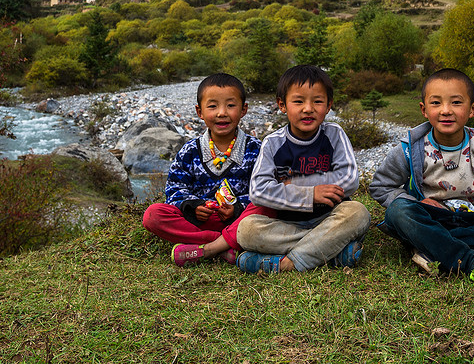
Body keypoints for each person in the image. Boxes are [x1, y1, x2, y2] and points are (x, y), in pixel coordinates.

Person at [369, 68, 474, 289]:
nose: (446, 111)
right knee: (398, 212)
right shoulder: (410, 150)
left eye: (456, 103)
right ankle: (471, 262)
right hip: (429, 217)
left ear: (472, 109)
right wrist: (417, 203)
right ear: (424, 109)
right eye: (436, 103)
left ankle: (431, 248)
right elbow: (381, 186)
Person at [235, 64, 371, 273]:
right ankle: (330, 253)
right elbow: (258, 190)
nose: (308, 108)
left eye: (317, 101)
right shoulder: (273, 142)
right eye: (298, 101)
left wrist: (299, 185)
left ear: (328, 105)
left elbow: (350, 179)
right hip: (288, 226)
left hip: (331, 218)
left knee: (358, 213)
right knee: (246, 230)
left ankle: (287, 264)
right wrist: (309, 195)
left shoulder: (334, 134)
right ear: (282, 105)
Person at [142, 73, 269, 266]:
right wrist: (193, 206)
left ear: (244, 110)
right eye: (212, 106)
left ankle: (204, 247)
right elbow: (174, 190)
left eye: (231, 105)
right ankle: (223, 244)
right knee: (153, 215)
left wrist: (237, 208)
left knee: (267, 206)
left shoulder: (255, 149)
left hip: (240, 221)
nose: (221, 113)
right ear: (199, 112)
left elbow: (262, 190)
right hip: (201, 220)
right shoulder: (189, 152)